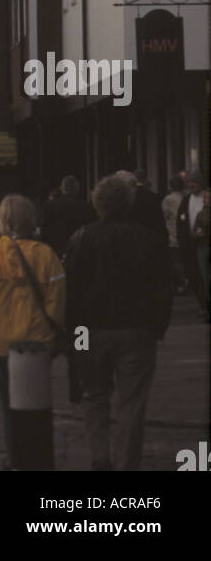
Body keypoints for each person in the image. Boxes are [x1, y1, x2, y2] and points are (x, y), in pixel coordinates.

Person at [64, 175, 172, 471]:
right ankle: (126, 462)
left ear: (97, 204)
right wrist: (157, 326)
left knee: (94, 394)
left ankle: (100, 456)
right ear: (129, 203)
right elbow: (163, 286)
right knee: (132, 401)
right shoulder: (147, 239)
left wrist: (72, 335)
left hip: (89, 330)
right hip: (136, 329)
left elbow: (70, 290)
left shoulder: (81, 238)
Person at [0, 194, 65, 471]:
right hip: (36, 341)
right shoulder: (46, 255)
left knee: (8, 404)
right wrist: (55, 328)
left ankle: (16, 456)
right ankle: (39, 457)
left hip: (0, 342)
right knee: (38, 404)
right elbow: (57, 301)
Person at [40, 175, 94, 258]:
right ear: (77, 189)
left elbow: (44, 231)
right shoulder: (85, 207)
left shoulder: (49, 206)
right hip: (78, 252)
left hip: (55, 251)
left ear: (62, 188)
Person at [176, 171, 206, 314]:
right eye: (188, 183)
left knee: (205, 275)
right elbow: (180, 221)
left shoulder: (206, 198)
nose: (190, 185)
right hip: (189, 245)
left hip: (205, 242)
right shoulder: (186, 200)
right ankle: (202, 304)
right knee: (193, 274)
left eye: (193, 182)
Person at [122, 170, 167, 241]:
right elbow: (159, 219)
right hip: (150, 235)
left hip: (132, 235)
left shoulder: (129, 197)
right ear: (146, 179)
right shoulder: (154, 197)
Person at [161, 175, 186, 293]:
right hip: (185, 234)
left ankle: (182, 282)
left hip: (172, 234)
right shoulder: (185, 197)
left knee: (175, 261)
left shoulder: (168, 200)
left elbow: (164, 217)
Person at [195, 189, 210, 318]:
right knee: (205, 278)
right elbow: (196, 227)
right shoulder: (201, 214)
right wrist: (197, 231)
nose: (207, 199)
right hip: (203, 246)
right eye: (206, 197)